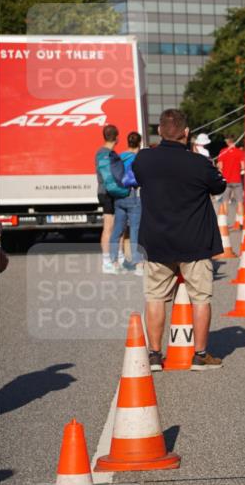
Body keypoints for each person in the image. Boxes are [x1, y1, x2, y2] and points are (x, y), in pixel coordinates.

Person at [132, 109, 226, 371]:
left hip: (157, 241)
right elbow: (219, 186)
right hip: (194, 241)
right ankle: (200, 354)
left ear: (160, 131)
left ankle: (154, 355)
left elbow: (139, 178)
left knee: (155, 297)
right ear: (186, 133)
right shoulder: (199, 163)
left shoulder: (143, 160)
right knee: (200, 298)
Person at [94, 124, 128, 274]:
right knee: (110, 227)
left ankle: (116, 259)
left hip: (105, 192)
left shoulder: (101, 153)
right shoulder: (107, 154)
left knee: (115, 226)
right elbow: (112, 178)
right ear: (117, 137)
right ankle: (108, 262)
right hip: (110, 193)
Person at [112, 131, 144, 275]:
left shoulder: (120, 157)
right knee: (135, 230)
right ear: (139, 143)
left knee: (117, 230)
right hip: (133, 195)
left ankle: (113, 262)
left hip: (118, 196)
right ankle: (138, 264)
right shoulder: (137, 158)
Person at [216, 135, 245, 218]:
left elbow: (220, 166)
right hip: (237, 180)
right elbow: (243, 166)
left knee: (225, 201)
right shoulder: (240, 152)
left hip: (226, 181)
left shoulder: (223, 151)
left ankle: (224, 222)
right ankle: (241, 222)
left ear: (227, 142)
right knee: (239, 202)